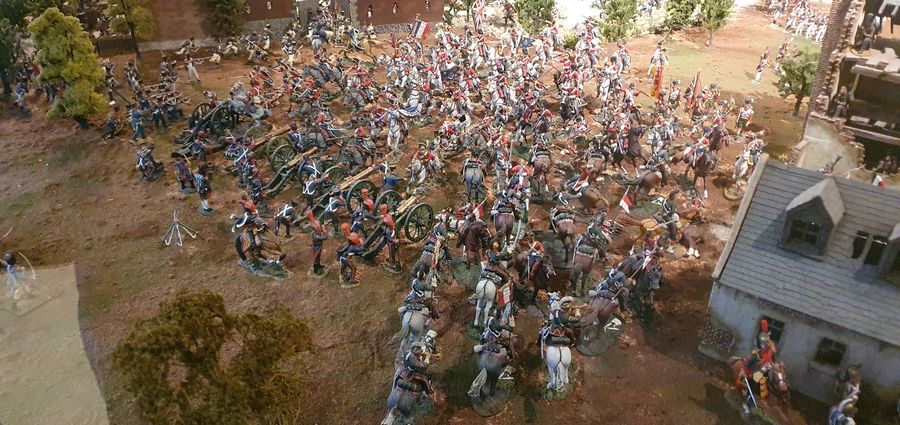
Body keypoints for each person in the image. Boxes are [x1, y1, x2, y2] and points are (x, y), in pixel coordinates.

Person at [308, 211, 329, 276]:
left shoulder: (317, 233)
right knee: (316, 257)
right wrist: (325, 233)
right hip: (317, 247)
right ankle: (316, 269)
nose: (319, 229)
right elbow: (324, 238)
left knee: (318, 256)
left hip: (319, 246)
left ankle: (319, 265)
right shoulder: (316, 236)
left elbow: (319, 223)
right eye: (318, 228)